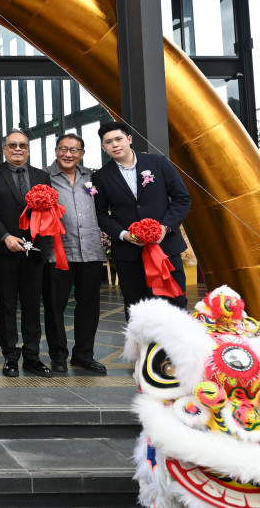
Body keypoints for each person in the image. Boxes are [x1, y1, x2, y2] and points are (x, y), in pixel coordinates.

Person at [92, 121, 192, 317]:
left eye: (119, 139)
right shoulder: (101, 177)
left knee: (175, 302)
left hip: (166, 248)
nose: (115, 144)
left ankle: (175, 348)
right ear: (103, 147)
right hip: (129, 254)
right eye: (109, 142)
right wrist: (124, 235)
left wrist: (165, 228)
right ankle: (143, 348)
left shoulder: (159, 163)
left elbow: (182, 198)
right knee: (136, 307)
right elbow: (101, 213)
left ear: (129, 139)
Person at [0, 129, 53, 378]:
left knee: (33, 305)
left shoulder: (42, 176)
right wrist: (5, 236)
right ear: (5, 148)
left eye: (22, 145)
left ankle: (32, 356)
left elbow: (49, 213)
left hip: (35, 251)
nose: (18, 149)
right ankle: (10, 356)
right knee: (7, 305)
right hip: (4, 249)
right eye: (12, 145)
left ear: (28, 149)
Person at [42, 133, 108, 375]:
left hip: (90, 250)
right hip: (57, 253)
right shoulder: (43, 177)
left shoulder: (93, 177)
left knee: (89, 307)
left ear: (82, 154)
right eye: (63, 149)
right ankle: (58, 355)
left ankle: (83, 356)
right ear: (56, 150)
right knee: (54, 307)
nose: (68, 154)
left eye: (74, 150)